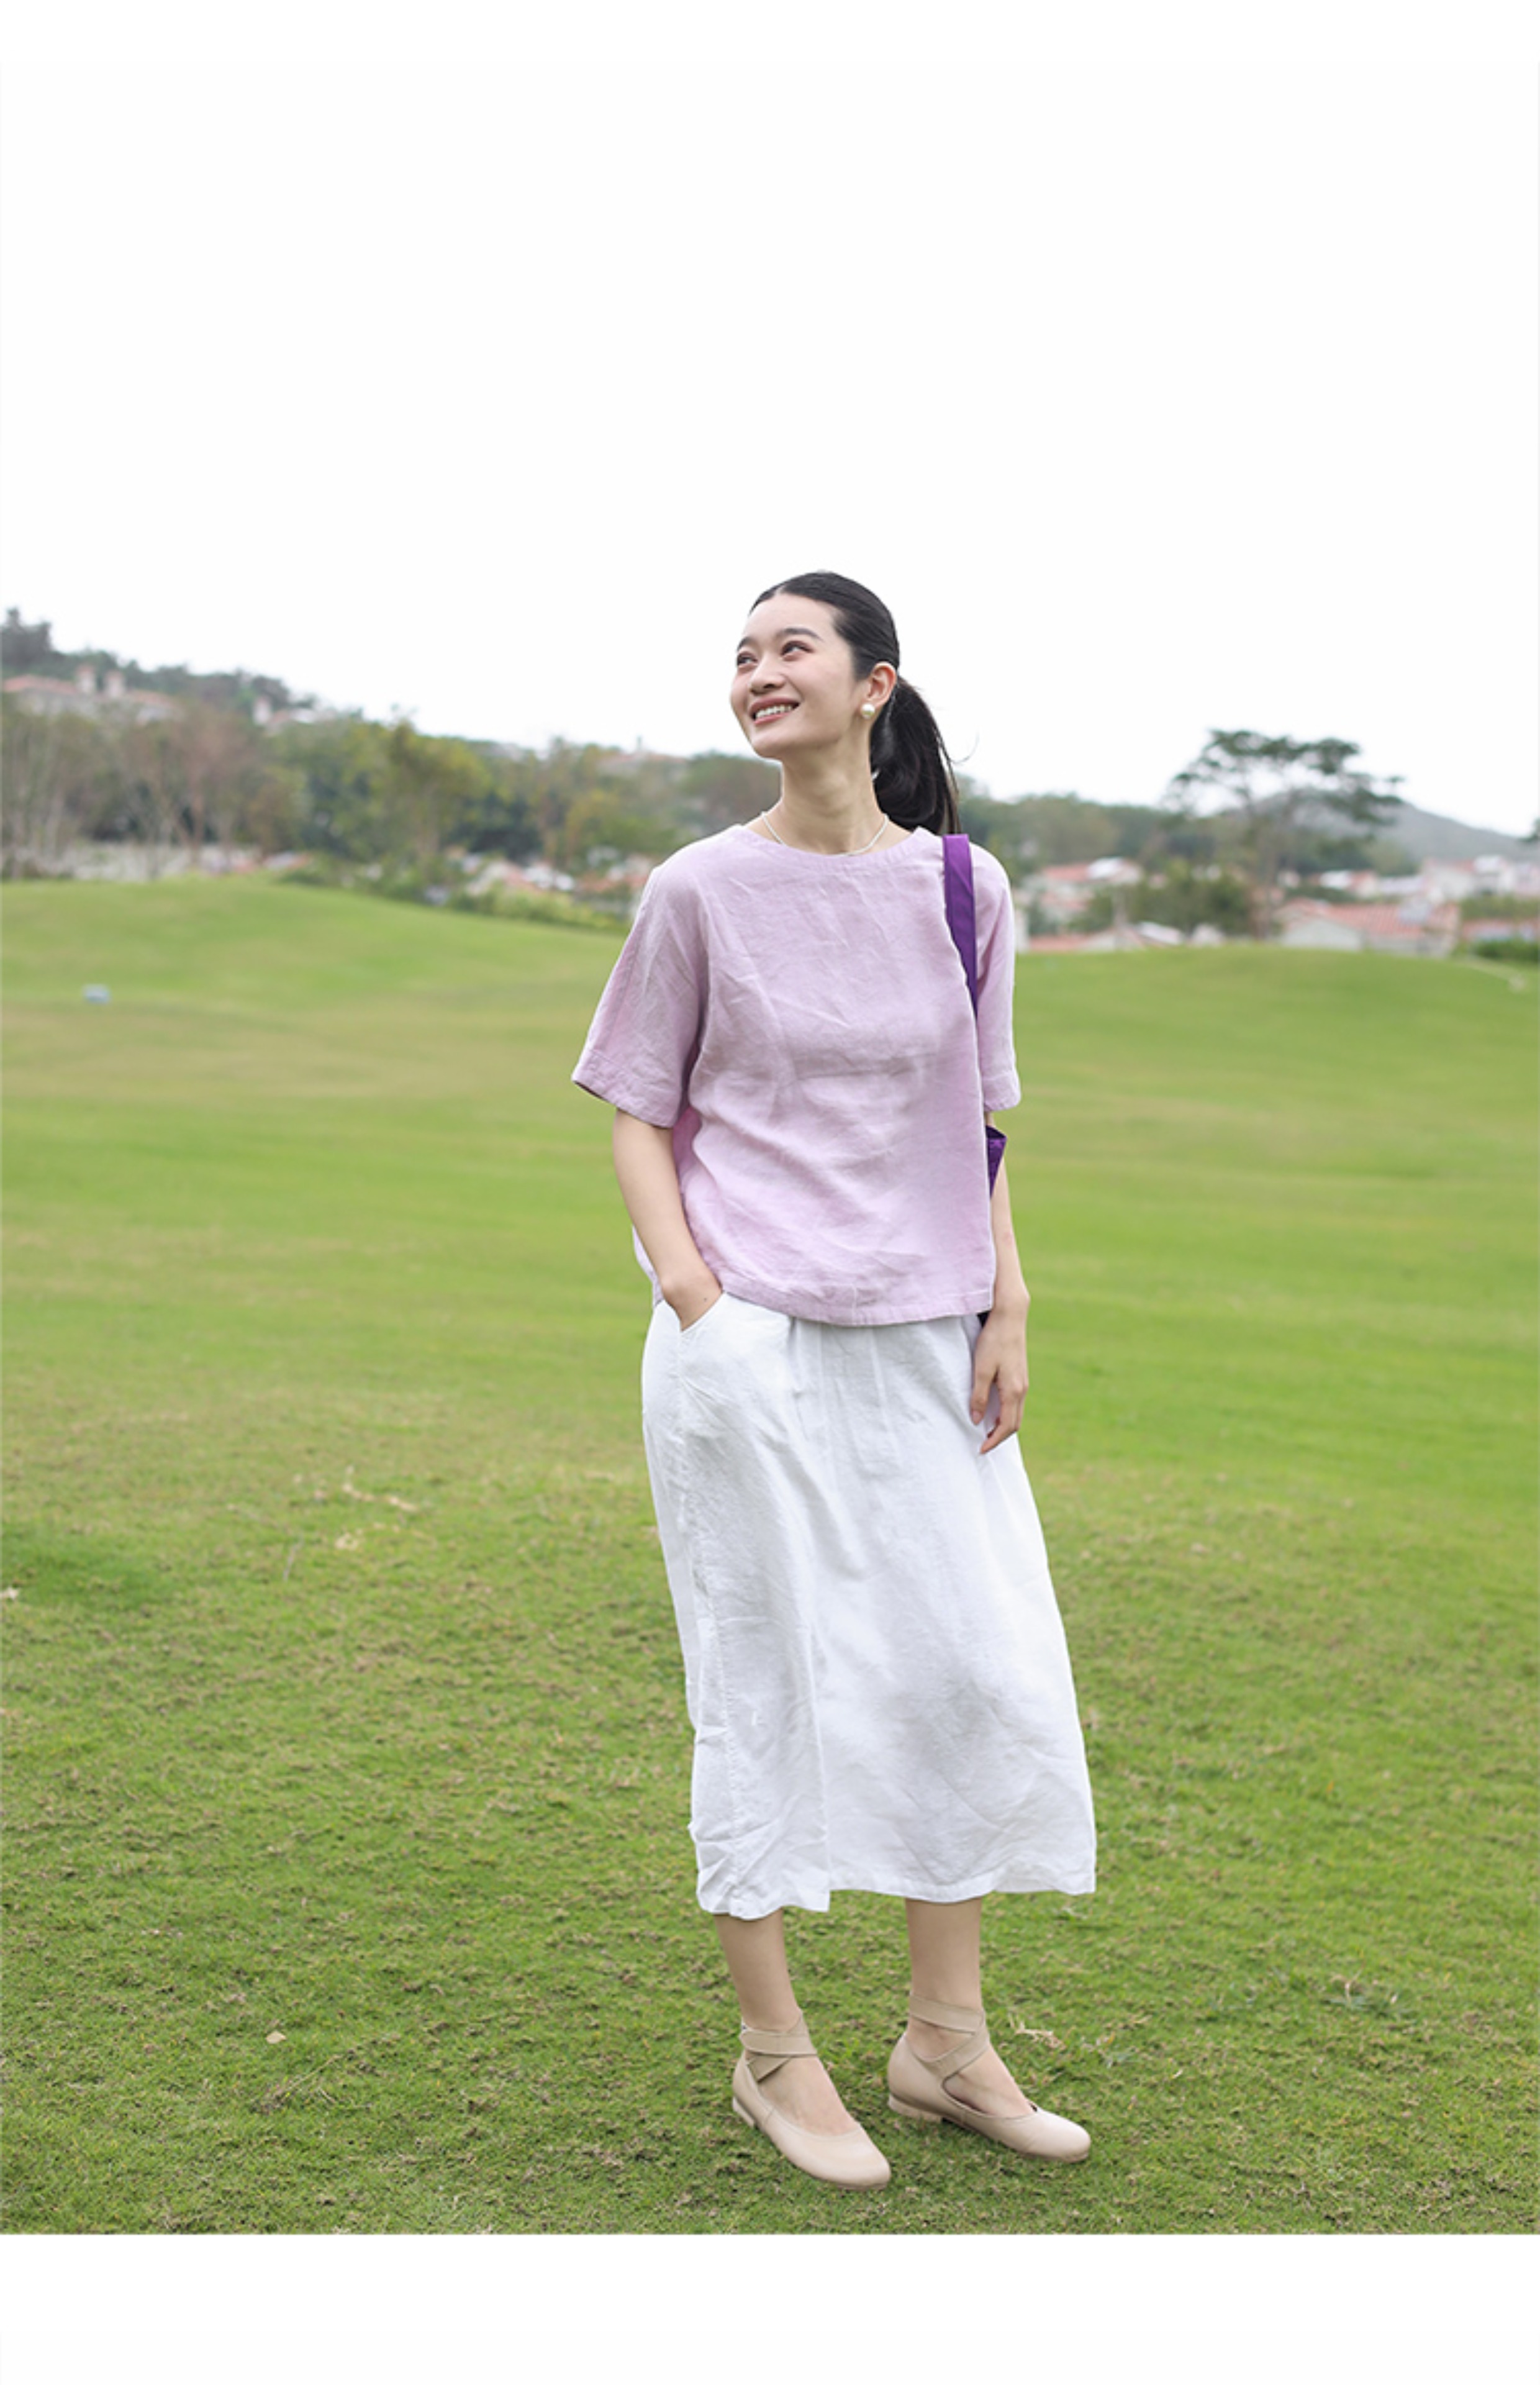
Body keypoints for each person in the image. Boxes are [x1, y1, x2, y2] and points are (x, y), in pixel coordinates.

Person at [573, 571, 1095, 2191]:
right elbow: (638, 1113)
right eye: (742, 653)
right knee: (763, 1682)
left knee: (968, 1674)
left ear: (875, 684)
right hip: (750, 1337)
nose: (758, 671)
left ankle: (945, 2046)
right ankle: (775, 2057)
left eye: (790, 647)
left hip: (928, 1335)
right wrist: (700, 1305)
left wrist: (1008, 1300)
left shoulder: (963, 887)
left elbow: (979, 1121)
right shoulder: (698, 890)